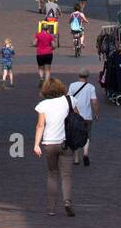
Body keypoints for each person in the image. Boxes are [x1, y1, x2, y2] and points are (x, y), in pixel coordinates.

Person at [33, 78, 75, 216]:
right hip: (66, 142)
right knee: (66, 175)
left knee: (52, 174)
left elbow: (40, 125)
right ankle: (67, 202)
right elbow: (77, 118)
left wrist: (36, 144)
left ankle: (51, 208)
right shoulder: (69, 100)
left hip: (49, 143)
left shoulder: (43, 105)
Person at [67, 69, 99, 166]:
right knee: (87, 135)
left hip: (75, 116)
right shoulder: (91, 87)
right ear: (87, 76)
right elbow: (94, 102)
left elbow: (68, 98)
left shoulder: (72, 85)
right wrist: (97, 113)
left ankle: (76, 159)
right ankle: (85, 153)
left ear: (78, 75)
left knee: (74, 135)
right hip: (87, 116)